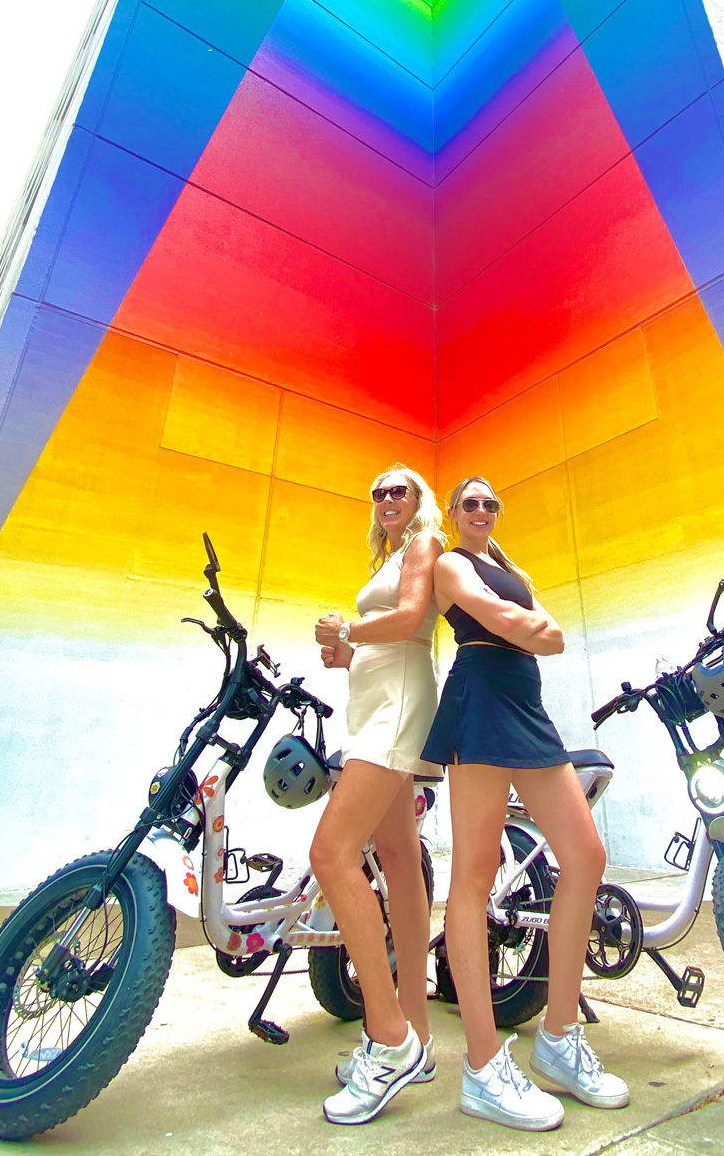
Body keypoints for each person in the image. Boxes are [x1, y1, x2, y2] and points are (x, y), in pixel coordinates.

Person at [421, 475, 630, 1132]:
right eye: (471, 503)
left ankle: (560, 1037)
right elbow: (510, 621)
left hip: (527, 708)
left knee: (585, 855)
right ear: (455, 514)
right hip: (480, 701)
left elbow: (553, 630)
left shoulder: (513, 567)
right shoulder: (450, 561)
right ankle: (482, 1067)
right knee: (476, 875)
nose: (481, 510)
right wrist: (529, 627)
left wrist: (534, 627)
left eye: (490, 503)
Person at [310, 465, 445, 1126]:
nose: (389, 498)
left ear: (418, 501)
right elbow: (385, 632)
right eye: (379, 492)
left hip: (396, 706)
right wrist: (342, 654)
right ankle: (415, 1034)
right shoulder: (385, 558)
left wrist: (352, 632)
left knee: (332, 853)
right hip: (374, 700)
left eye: (401, 489)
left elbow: (414, 619)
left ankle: (389, 1037)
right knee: (396, 857)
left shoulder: (424, 546)